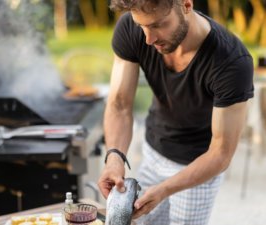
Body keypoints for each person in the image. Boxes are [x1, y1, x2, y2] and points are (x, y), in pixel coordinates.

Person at [97, 0, 254, 224]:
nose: (149, 39)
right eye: (141, 26)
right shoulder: (132, 30)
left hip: (198, 167)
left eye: (158, 25)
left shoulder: (231, 62)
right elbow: (120, 104)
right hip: (154, 151)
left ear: (186, 5)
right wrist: (114, 157)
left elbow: (221, 153)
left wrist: (164, 189)